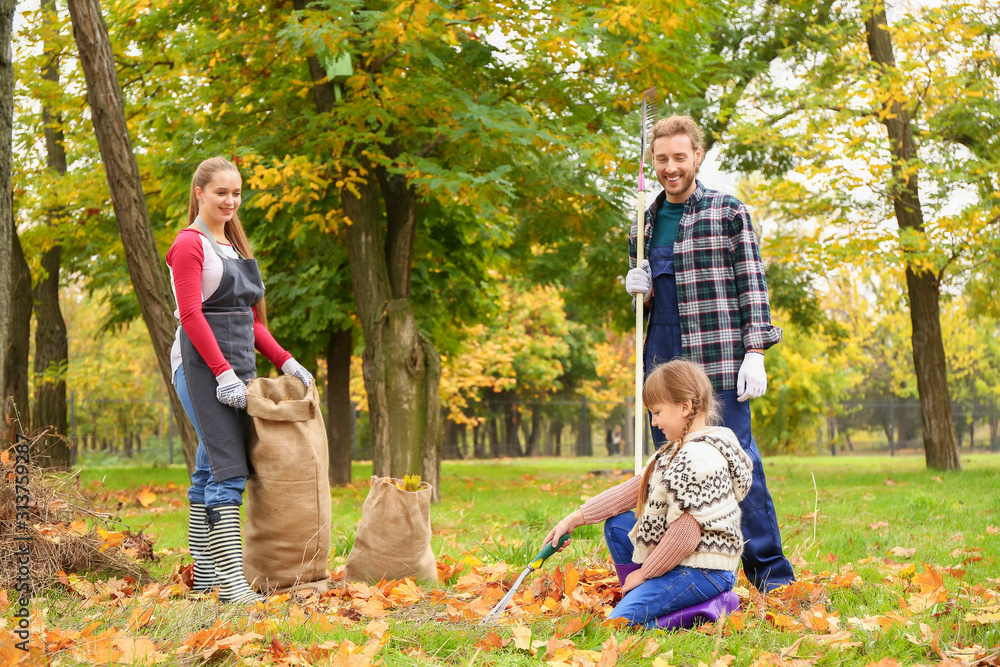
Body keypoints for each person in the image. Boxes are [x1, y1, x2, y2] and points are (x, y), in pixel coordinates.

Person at [623, 115, 794, 591]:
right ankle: (681, 571)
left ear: (697, 156)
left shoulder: (727, 212)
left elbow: (752, 285)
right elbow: (653, 299)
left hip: (717, 356)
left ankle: (771, 578)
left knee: (739, 465)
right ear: (652, 162)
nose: (670, 167)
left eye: (680, 157)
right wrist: (637, 288)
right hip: (663, 354)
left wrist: (756, 350)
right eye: (661, 159)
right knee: (670, 470)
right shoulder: (643, 222)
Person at [167, 157, 314, 603]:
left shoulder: (232, 247)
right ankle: (232, 585)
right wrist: (222, 374)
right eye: (221, 193)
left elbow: (250, 323)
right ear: (200, 193)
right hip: (200, 369)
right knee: (229, 468)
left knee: (210, 467)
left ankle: (208, 577)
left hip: (237, 371)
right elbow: (192, 315)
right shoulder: (189, 245)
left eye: (236, 193)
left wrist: (287, 362)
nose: (230, 201)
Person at [544, 360, 752, 628]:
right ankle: (650, 597)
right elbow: (632, 490)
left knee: (619, 622)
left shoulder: (699, 458)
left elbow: (686, 534)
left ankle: (708, 609)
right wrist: (573, 519)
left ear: (685, 407)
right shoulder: (675, 450)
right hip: (677, 561)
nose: (654, 422)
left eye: (656, 412)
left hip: (703, 570)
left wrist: (644, 573)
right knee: (618, 524)